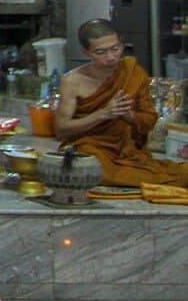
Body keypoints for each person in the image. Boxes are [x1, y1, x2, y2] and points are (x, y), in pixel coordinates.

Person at [56, 19, 188, 187]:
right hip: (90, 147)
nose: (111, 57)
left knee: (179, 172)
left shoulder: (133, 73)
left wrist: (129, 115)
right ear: (86, 52)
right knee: (90, 169)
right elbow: (62, 129)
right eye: (101, 52)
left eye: (115, 49)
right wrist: (103, 114)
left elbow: (148, 119)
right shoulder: (72, 81)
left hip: (127, 150)